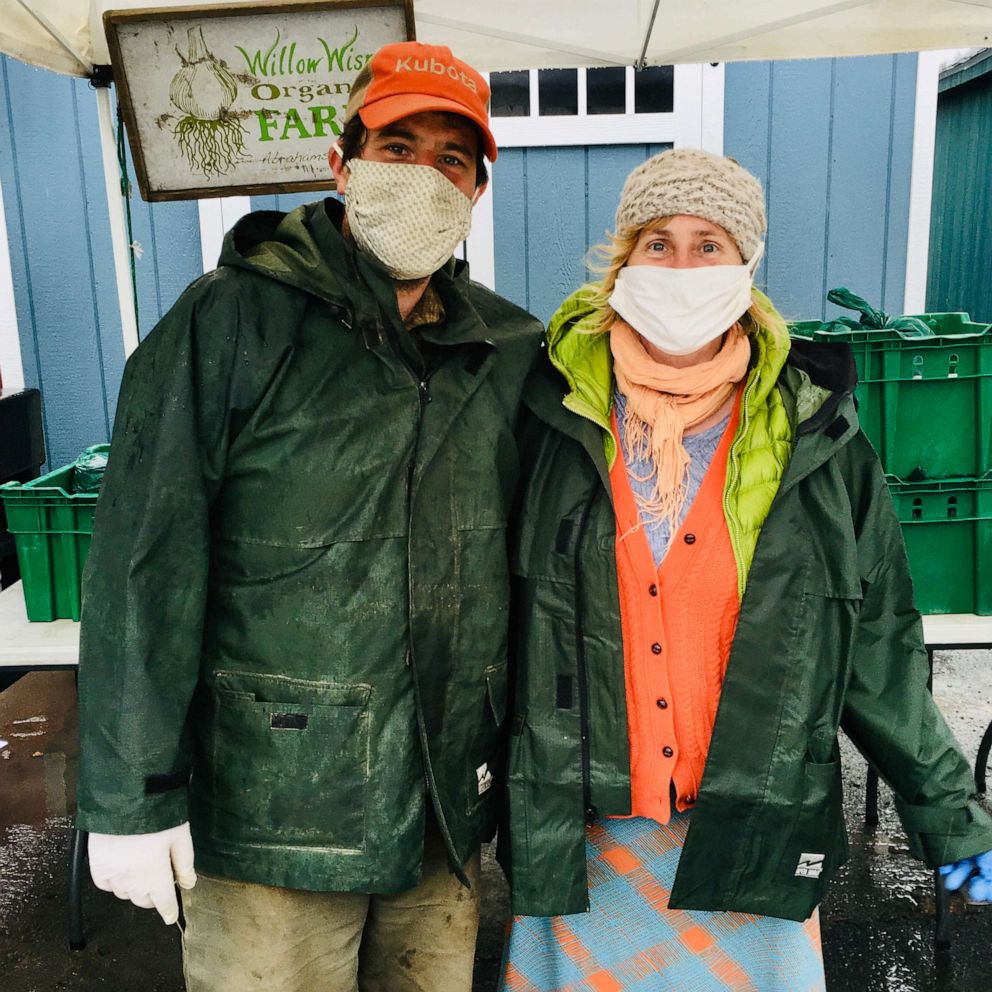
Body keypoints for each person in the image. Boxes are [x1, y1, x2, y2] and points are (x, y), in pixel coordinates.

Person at [75, 41, 542, 992]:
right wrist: (130, 797)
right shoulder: (229, 322)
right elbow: (143, 565)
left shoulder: (505, 349)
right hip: (272, 809)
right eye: (397, 145)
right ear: (342, 164)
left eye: (451, 158)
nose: (423, 174)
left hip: (439, 805)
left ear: (477, 189)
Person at [497, 148, 992, 990]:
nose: (682, 266)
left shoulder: (819, 437)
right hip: (587, 839)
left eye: (708, 244)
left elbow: (877, 648)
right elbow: (483, 618)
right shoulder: (546, 414)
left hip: (753, 833)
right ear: (623, 260)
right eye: (658, 243)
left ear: (746, 263)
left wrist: (952, 815)